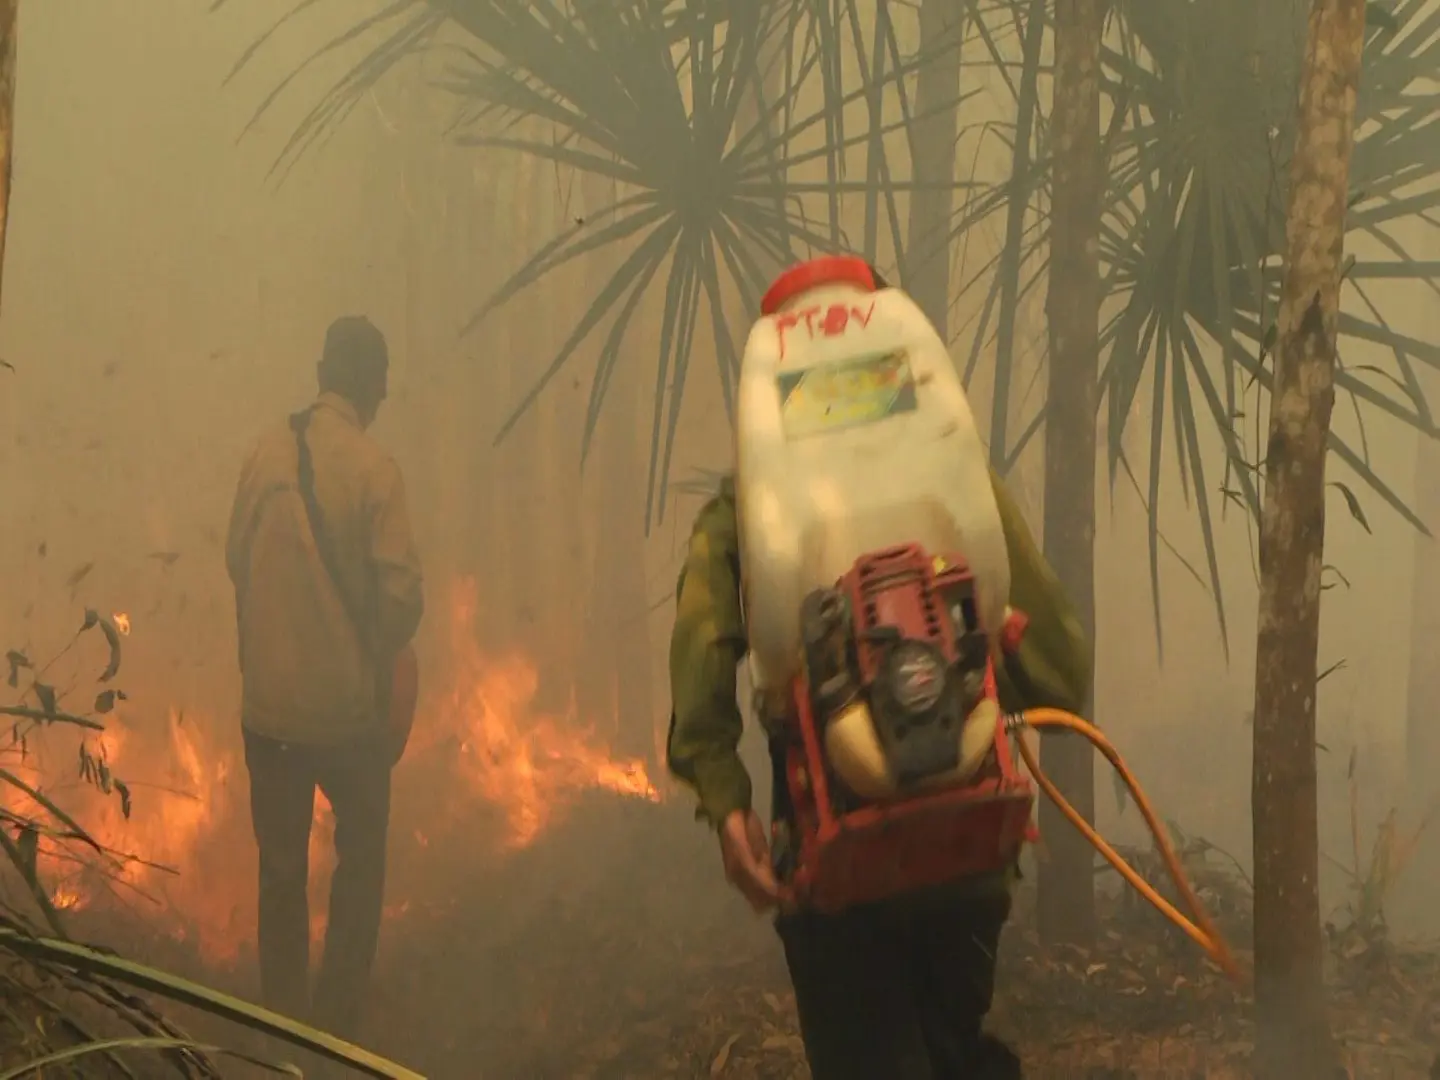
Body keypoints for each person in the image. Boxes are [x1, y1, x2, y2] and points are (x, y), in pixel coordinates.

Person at [667, 469, 1091, 1080]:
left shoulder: (749, 502)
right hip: (965, 856)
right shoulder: (957, 476)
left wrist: (727, 801)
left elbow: (701, 653)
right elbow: (1063, 674)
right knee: (951, 1047)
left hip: (837, 868)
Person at [225, 315, 424, 1041]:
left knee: (280, 870)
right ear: (375, 387)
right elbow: (402, 598)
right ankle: (335, 1028)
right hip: (348, 720)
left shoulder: (263, 453)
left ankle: (282, 1027)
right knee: (360, 859)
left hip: (270, 712)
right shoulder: (376, 472)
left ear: (319, 371)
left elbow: (234, 560)